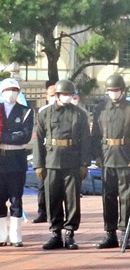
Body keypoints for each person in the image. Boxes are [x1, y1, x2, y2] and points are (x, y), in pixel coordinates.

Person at [37, 78, 91, 250]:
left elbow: (85, 141)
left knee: (72, 199)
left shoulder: (80, 114)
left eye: (70, 94)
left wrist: (84, 163)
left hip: (73, 160)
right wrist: (39, 164)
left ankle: (69, 233)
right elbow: (38, 140)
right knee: (52, 197)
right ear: (57, 95)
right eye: (64, 94)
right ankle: (55, 233)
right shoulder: (45, 113)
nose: (67, 97)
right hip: (52, 160)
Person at [90, 74, 130, 250]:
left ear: (123, 90)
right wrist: (96, 156)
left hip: (126, 156)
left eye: (116, 90)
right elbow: (95, 135)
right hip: (107, 156)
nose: (113, 93)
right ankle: (110, 233)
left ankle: (126, 233)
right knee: (108, 197)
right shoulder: (100, 109)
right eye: (110, 90)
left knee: (127, 198)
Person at [1, 78, 34, 247]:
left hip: (16, 159)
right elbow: (17, 135)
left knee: (16, 198)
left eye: (15, 89)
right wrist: (12, 137)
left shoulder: (26, 111)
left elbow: (25, 136)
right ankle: (1, 235)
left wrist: (3, 138)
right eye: (8, 89)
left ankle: (15, 236)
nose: (11, 92)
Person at [29, 82, 56, 223]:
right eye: (51, 95)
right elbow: (37, 135)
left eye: (56, 95)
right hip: (45, 151)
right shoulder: (42, 112)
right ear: (46, 96)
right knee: (42, 185)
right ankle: (42, 212)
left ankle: (56, 214)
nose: (54, 98)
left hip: (57, 152)